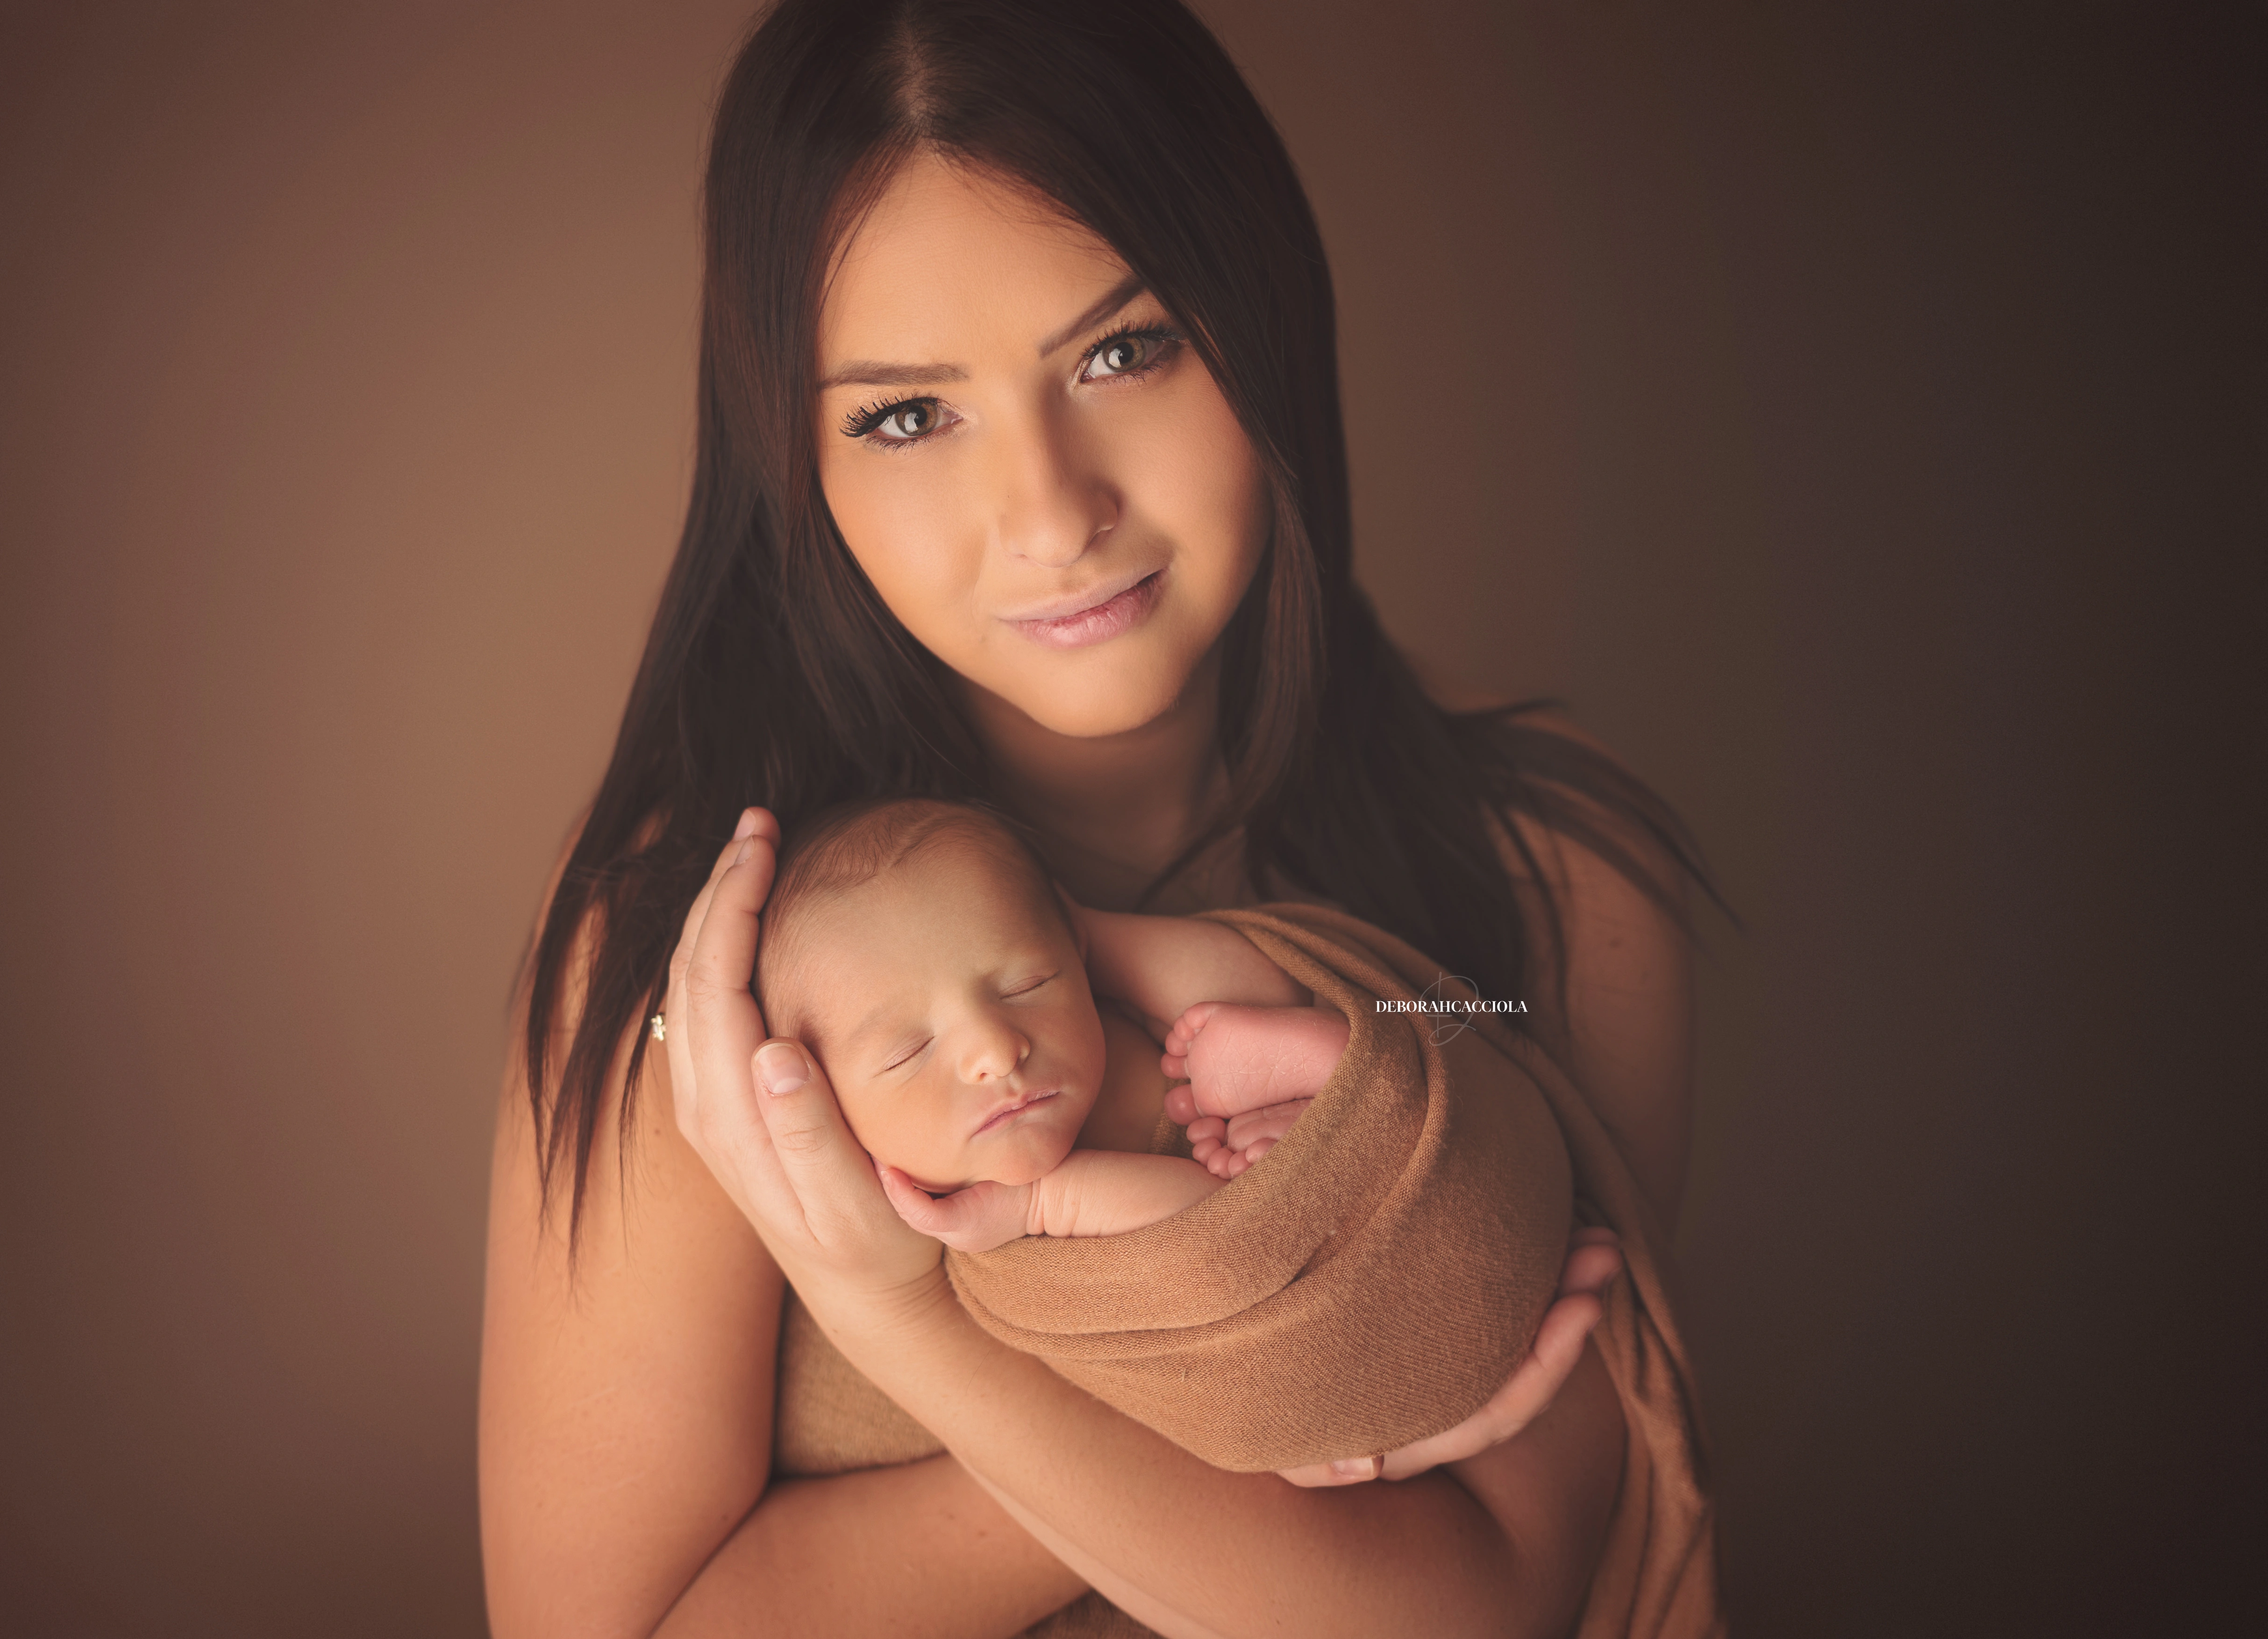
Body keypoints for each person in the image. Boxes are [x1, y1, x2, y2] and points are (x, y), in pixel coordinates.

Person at [478, 1, 1721, 1634]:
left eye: (1124, 350)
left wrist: (926, 1329)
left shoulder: (1545, 886)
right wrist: (1282, 1381)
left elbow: (1477, 1603)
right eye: (907, 415)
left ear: (1261, 324)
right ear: (796, 463)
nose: (1053, 514)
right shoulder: (709, 989)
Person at [750, 792, 1616, 1496]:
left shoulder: (1117, 1011)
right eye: (906, 1053)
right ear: (821, 1111)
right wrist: (1041, 1203)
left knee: (1298, 1013)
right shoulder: (1003, 1254)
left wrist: (1113, 950)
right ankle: (1322, 1080)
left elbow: (1263, 974)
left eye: (1027, 980)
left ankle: (1327, 1066)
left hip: (1448, 1172)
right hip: (1375, 1314)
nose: (992, 1048)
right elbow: (1204, 1249)